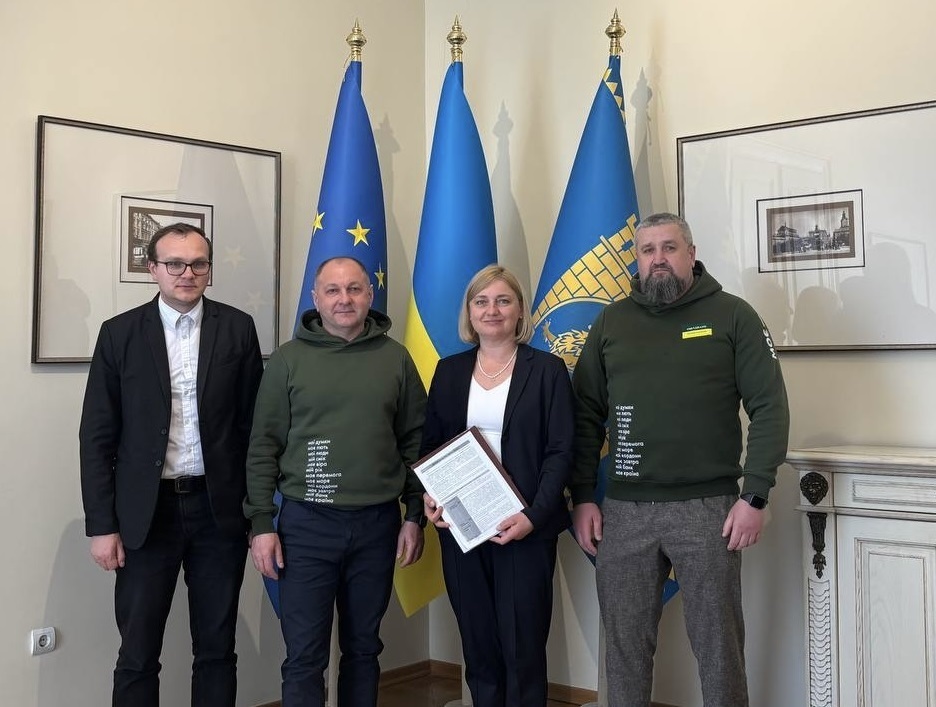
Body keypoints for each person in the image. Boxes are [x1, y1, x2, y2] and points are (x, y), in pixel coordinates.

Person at [571, 212, 790, 707]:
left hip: (708, 510)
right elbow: (584, 415)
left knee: (719, 647)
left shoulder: (733, 315)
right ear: (637, 260)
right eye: (647, 250)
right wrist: (582, 495)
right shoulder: (611, 322)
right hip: (623, 511)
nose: (658, 259)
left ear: (691, 253)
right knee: (624, 648)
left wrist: (755, 495)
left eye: (669, 248)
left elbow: (770, 407)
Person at [79, 222, 264, 707]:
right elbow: (96, 436)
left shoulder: (238, 328)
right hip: (146, 515)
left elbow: (252, 429)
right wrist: (102, 525)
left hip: (218, 511)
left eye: (198, 263)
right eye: (175, 263)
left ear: (209, 269)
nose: (187, 273)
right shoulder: (119, 333)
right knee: (138, 653)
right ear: (153, 269)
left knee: (217, 650)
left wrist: (258, 513)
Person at [244, 256, 427, 707]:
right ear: (315, 298)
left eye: (354, 289)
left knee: (364, 650)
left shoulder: (395, 359)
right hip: (306, 526)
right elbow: (263, 447)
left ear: (369, 294)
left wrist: (414, 515)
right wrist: (261, 524)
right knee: (304, 657)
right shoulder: (288, 360)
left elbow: (415, 443)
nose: (344, 299)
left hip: (377, 524)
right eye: (333, 290)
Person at [422, 265, 574, 707]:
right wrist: (430, 497)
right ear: (469, 312)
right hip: (463, 528)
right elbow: (432, 445)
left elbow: (561, 451)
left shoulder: (547, 370)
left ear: (519, 310)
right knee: (478, 645)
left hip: (525, 527)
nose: (492, 310)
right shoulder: (449, 371)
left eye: (503, 301)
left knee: (523, 648)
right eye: (482, 301)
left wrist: (532, 517)